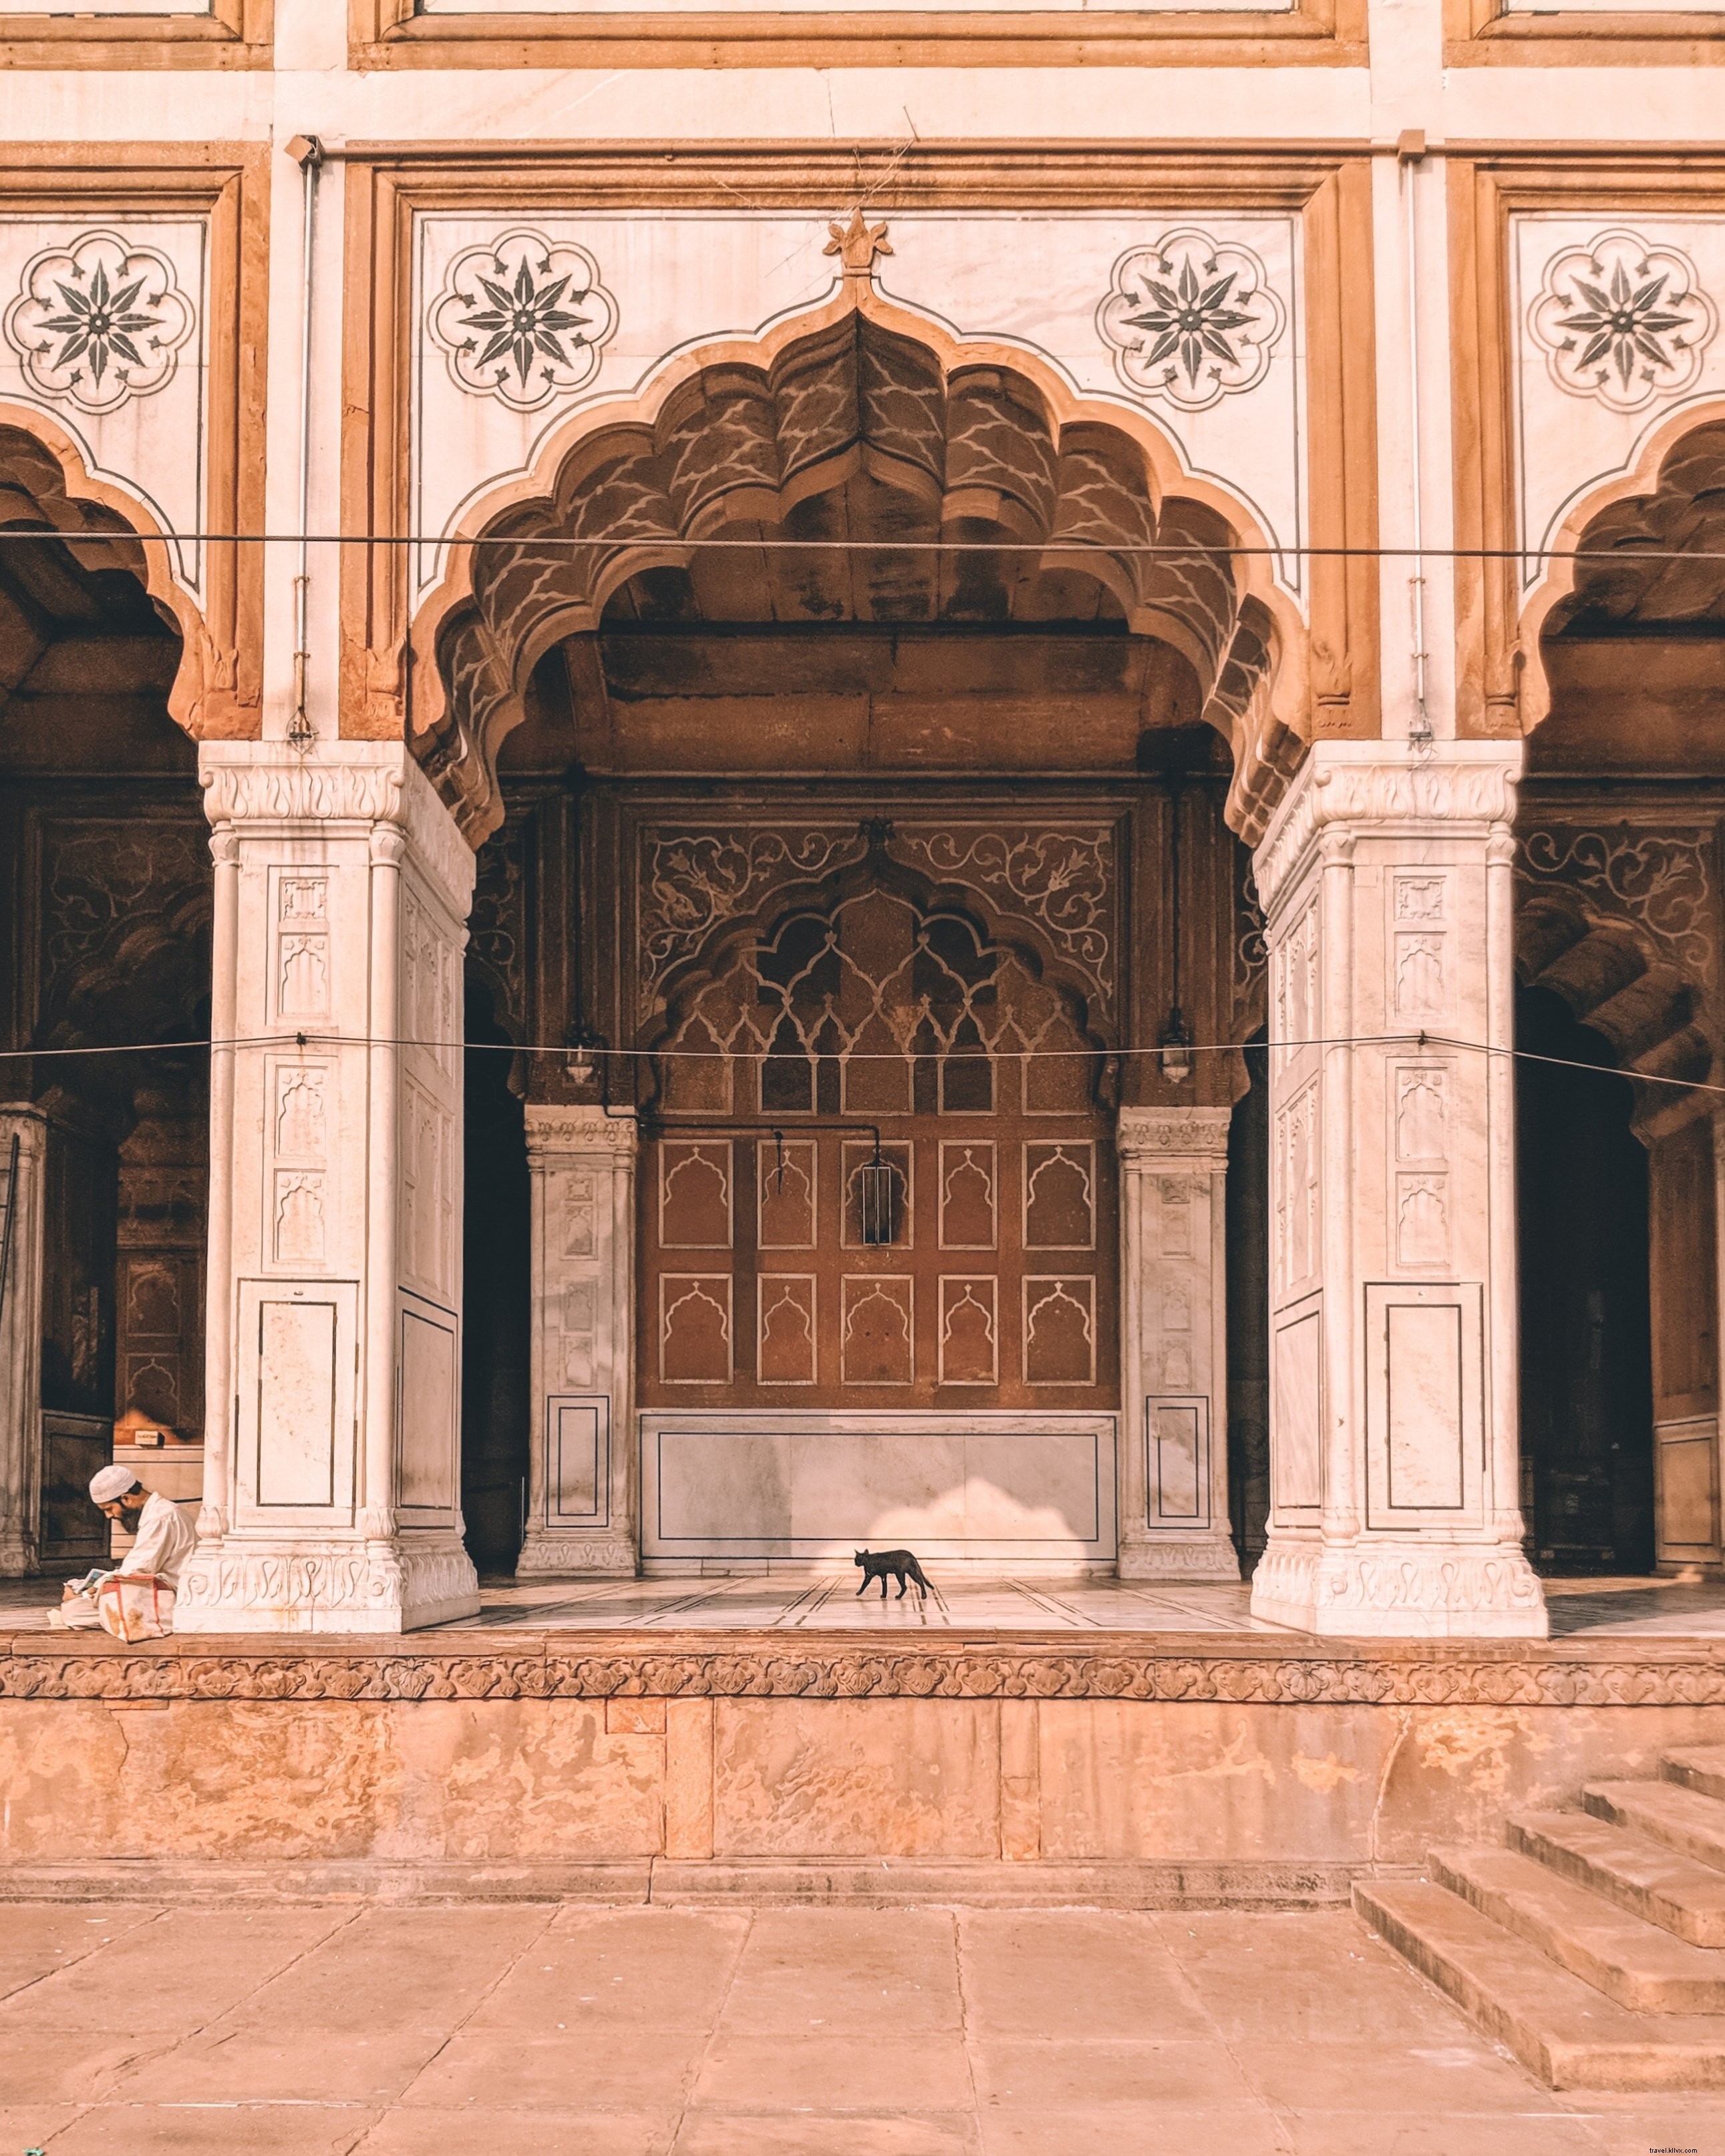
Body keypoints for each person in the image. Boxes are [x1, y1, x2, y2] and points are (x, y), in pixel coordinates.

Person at [53, 1465, 196, 1636]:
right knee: (76, 1607)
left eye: (109, 1509)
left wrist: (85, 1595)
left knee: (74, 1611)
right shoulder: (159, 1513)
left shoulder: (161, 1517)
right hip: (163, 1594)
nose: (109, 1516)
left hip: (175, 1600)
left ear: (126, 1498)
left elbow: (135, 1571)